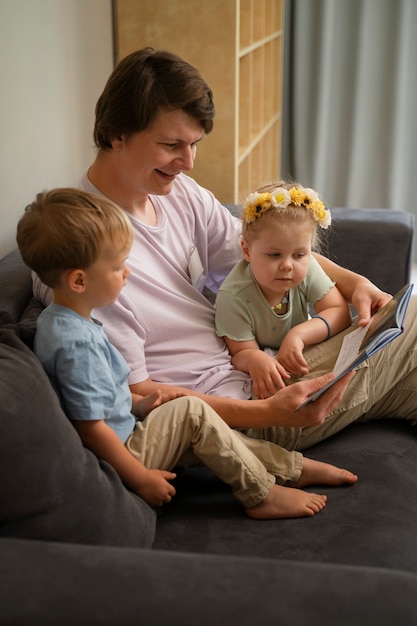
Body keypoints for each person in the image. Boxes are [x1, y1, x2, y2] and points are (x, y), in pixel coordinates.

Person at [32, 48, 417, 453]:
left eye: (194, 144)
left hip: (253, 371)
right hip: (239, 412)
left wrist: (356, 283)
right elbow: (137, 396)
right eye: (171, 144)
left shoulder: (175, 192)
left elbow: (260, 250)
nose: (188, 162)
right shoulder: (80, 251)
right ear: (117, 134)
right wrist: (271, 412)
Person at [18, 187, 360, 519]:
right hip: (123, 454)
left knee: (206, 425)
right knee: (193, 411)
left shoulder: (71, 321)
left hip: (130, 432)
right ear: (79, 281)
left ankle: (294, 469)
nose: (128, 273)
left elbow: (106, 398)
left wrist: (140, 404)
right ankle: (261, 494)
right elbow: (90, 427)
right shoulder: (75, 342)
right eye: (118, 267)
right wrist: (139, 477)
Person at [215, 182, 352, 400]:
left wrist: (298, 335)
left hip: (303, 349)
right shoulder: (232, 297)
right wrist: (254, 359)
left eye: (299, 255)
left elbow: (340, 311)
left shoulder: (307, 270)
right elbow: (240, 352)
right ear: (247, 251)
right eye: (274, 255)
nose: (288, 265)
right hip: (269, 366)